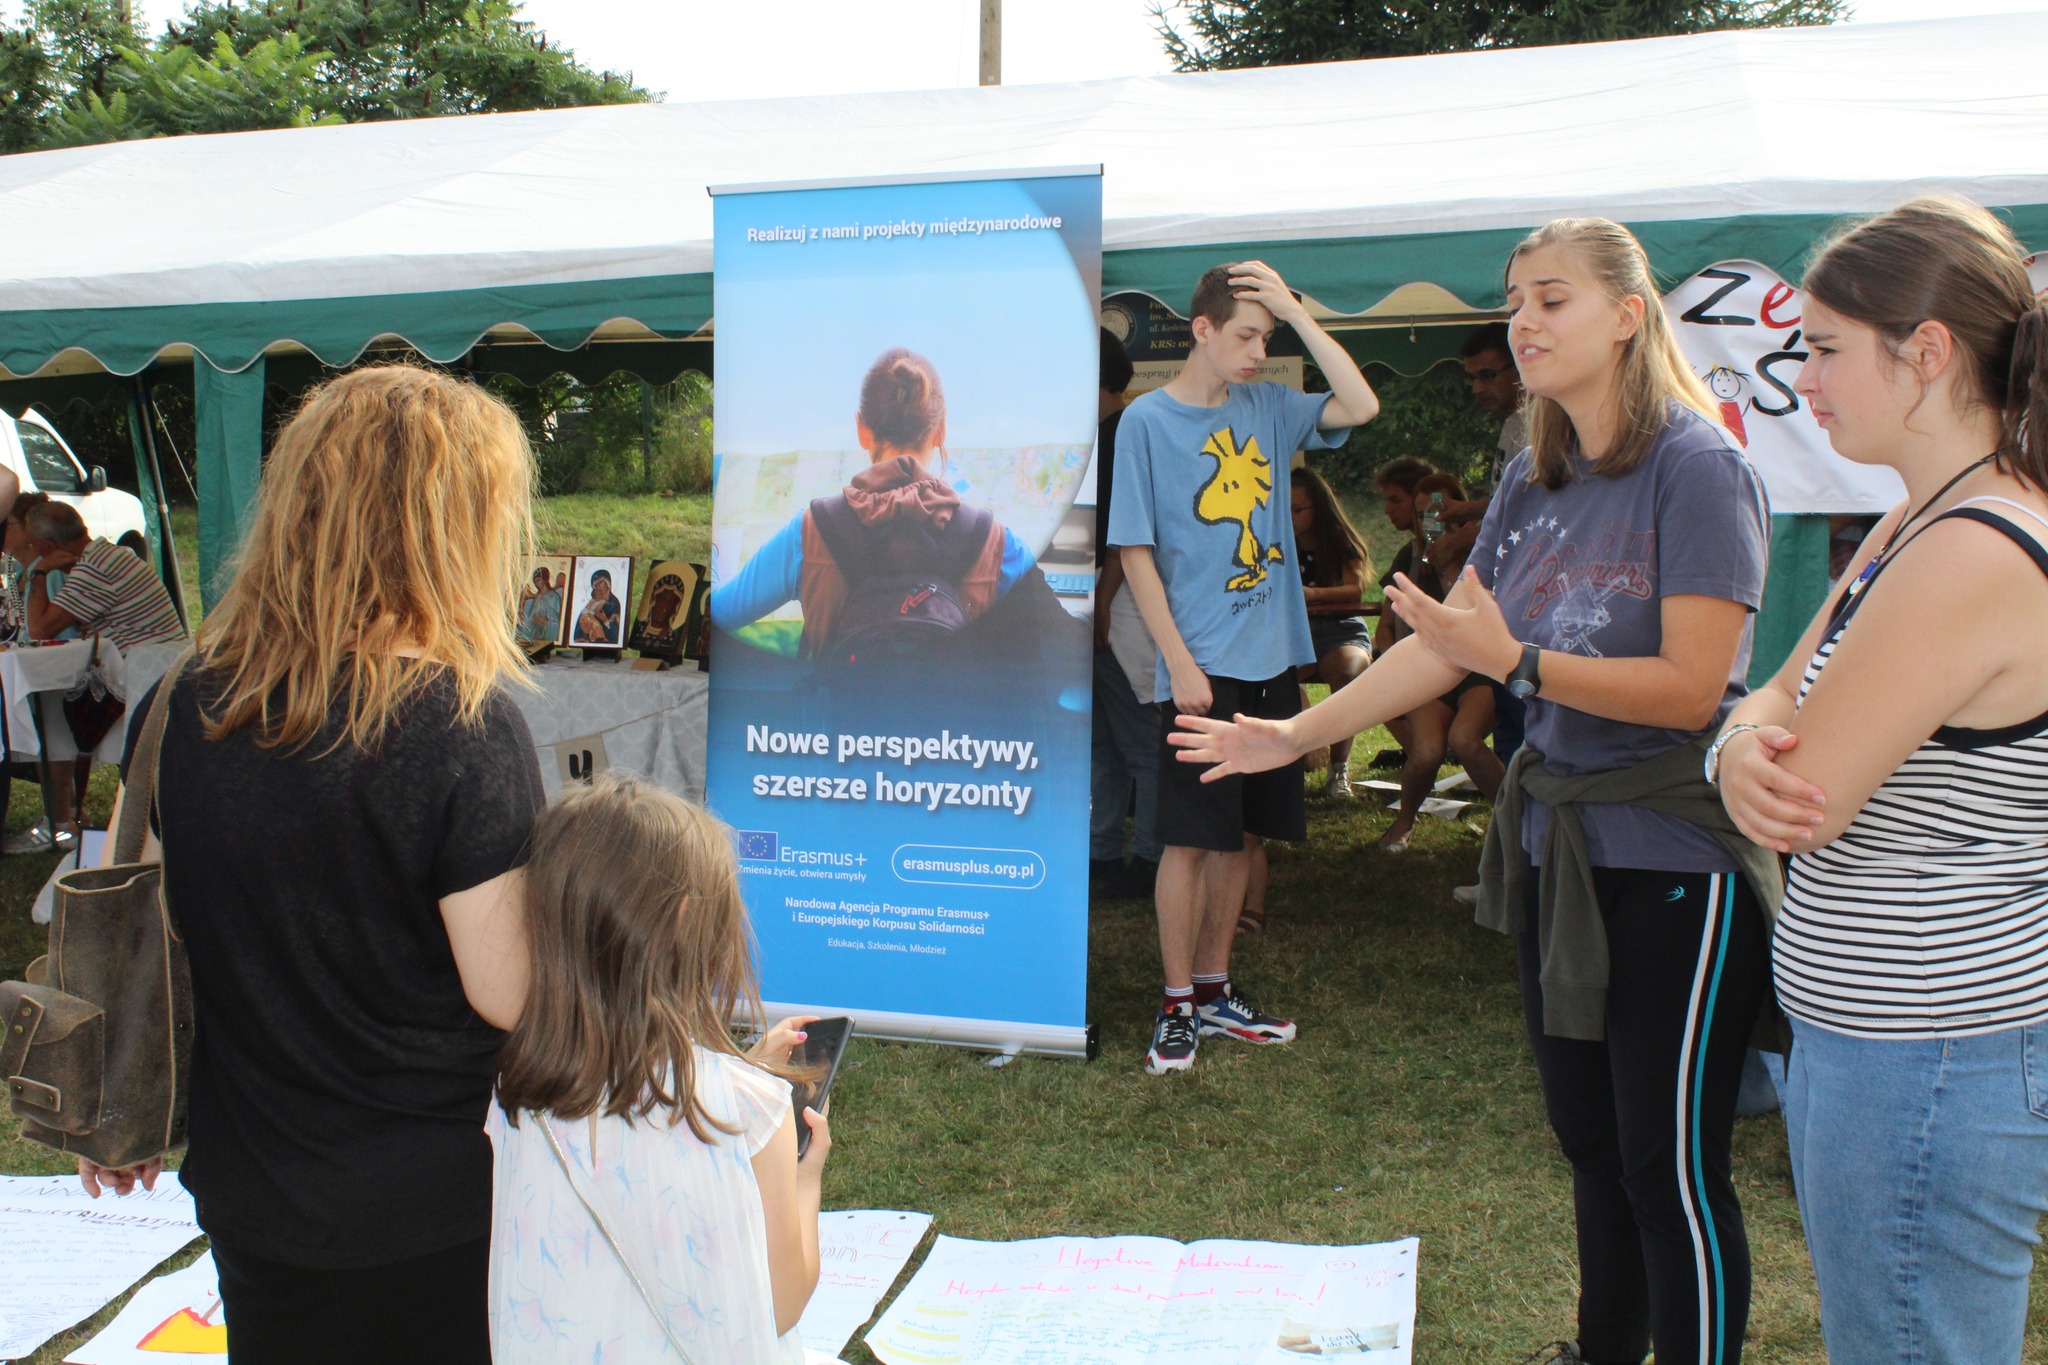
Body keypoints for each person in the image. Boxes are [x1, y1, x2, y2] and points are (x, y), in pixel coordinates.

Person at [1171, 218, 1772, 1365]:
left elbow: (1693, 688)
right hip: (1555, 847)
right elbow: (1440, 649)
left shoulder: (1697, 466)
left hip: (1674, 861)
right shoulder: (1529, 475)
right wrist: (1290, 733)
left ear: (1626, 316)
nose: (1523, 322)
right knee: (1588, 1140)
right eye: (1515, 300)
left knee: (1666, 1164)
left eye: (1551, 299)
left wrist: (1519, 665)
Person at [78, 365, 545, 1365]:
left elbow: (147, 912)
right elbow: (512, 992)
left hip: (252, 1179)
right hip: (428, 1201)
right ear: (449, 526)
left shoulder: (186, 699)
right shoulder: (458, 722)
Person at [1714, 196, 2048, 1364]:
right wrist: (1731, 746)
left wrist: (1744, 748)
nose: (1800, 376)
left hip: (1925, 1047)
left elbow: (1804, 793)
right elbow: (1764, 698)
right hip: (1889, 1031)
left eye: (1820, 348)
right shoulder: (1919, 512)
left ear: (1926, 353)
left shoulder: (1969, 545)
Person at [1108, 259, 1379, 1075]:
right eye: (1247, 335)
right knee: (1188, 841)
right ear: (1201, 330)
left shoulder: (1269, 406)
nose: (1260, 352)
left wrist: (1297, 312)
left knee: (1243, 837)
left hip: (1271, 663)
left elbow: (1361, 404)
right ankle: (1178, 1004)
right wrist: (1178, 662)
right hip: (1199, 666)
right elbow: (1137, 551)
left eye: (1267, 337)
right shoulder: (1146, 423)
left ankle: (1218, 989)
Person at [489, 774, 831, 1364]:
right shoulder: (753, 1107)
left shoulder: (514, 1094)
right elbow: (783, 1304)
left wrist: (739, 1070)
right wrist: (805, 1176)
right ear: (687, 920)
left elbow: (638, 1123)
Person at [708, 347, 1039, 663]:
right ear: (941, 431)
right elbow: (1055, 633)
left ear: (861, 430)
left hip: (837, 722)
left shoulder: (809, 532)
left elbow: (722, 613)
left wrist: (715, 549)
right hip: (952, 724)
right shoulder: (995, 542)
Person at [18, 498, 184, 854]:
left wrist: (38, 573)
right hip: (160, 673)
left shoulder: (94, 569)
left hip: (144, 683)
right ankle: (64, 816)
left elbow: (37, 627)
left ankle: (61, 819)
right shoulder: (112, 554)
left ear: (47, 547)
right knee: (58, 697)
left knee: (53, 707)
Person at [1365, 465, 1500, 853]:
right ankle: (1404, 823)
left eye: (1439, 511)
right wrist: (1396, 664)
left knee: (1465, 739)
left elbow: (1477, 618)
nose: (1431, 521)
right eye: (1424, 513)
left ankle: (1512, 828)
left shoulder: (1482, 554)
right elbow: (1386, 624)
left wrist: (1451, 561)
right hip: (1430, 670)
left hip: (1476, 671)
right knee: (1426, 752)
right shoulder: (1410, 556)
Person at [1090, 327, 1163, 899]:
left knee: (1139, 740)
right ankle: (1102, 849)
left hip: (1119, 605)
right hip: (1098, 602)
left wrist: (1104, 605)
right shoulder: (1101, 435)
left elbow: (1127, 535)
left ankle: (1150, 854)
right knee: (1101, 742)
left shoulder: (1125, 434)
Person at [1290, 466, 1373, 797]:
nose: (1291, 517)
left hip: (1341, 629)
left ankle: (1338, 770)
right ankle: (1302, 745)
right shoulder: (1275, 541)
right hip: (1296, 633)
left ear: (1319, 508)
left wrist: (1311, 594)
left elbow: (1354, 592)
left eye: (1298, 510)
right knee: (1277, 674)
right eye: (1286, 509)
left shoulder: (1340, 540)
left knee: (1349, 673)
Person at [573, 566, 621, 645]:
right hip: (590, 642)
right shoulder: (593, 602)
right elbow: (580, 625)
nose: (598, 587)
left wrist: (605, 620)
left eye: (600, 582)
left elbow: (616, 633)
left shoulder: (614, 603)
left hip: (607, 646)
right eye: (595, 585)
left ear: (608, 583)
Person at [517, 566, 563, 646]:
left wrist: (543, 622)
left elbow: (557, 623)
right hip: (535, 634)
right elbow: (531, 618)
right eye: (535, 582)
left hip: (547, 636)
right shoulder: (537, 598)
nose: (536, 584)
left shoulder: (553, 597)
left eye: (538, 580)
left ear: (545, 580)